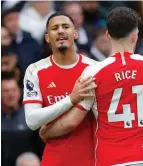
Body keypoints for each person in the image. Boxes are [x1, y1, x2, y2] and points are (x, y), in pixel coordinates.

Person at [57, 7, 143, 166]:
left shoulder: (93, 72)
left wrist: (46, 130)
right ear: (135, 35)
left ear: (108, 35)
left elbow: (72, 121)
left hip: (111, 158)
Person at [23, 12, 97, 166]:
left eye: (66, 27)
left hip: (91, 158)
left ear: (75, 34)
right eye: (55, 28)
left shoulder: (93, 69)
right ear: (47, 38)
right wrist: (71, 99)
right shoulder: (35, 70)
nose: (61, 31)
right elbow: (31, 120)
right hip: (54, 159)